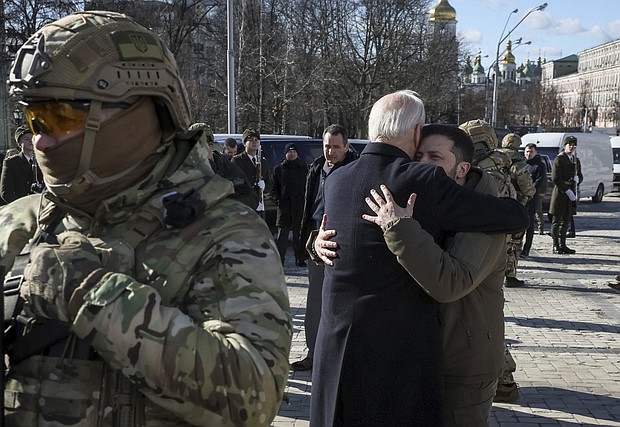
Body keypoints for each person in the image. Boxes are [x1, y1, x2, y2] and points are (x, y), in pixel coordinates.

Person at [1, 11, 291, 426]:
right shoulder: (16, 223)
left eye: (62, 116)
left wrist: (90, 292)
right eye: (35, 119)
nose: (41, 139)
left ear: (136, 116)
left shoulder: (222, 232)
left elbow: (252, 398)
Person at [309, 90, 528, 427]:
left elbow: (333, 231)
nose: (424, 160)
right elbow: (514, 216)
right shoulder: (422, 180)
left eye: (434, 156)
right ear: (415, 132)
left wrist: (315, 244)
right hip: (396, 355)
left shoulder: (337, 177)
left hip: (335, 349)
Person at [292, 124, 357, 371]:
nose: (330, 152)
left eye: (336, 147)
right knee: (315, 301)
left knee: (342, 301)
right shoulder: (317, 167)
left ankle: (341, 356)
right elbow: (309, 205)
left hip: (342, 242)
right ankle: (313, 353)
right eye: (327, 146)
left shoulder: (354, 169)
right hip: (315, 239)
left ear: (346, 146)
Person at [188, 123, 259, 209]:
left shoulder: (226, 165)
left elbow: (252, 198)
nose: (202, 150)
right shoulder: (183, 169)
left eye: (206, 144)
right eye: (197, 146)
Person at [497, 133, 535, 284]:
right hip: (515, 206)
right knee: (514, 243)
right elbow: (529, 189)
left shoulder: (493, 159)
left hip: (494, 204)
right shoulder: (518, 163)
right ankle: (510, 276)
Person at [272, 143, 309, 266]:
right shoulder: (279, 169)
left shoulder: (304, 169)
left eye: (294, 152)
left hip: (299, 207)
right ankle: (280, 260)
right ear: (285, 154)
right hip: (284, 208)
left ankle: (299, 259)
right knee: (282, 237)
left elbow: (307, 187)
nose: (292, 154)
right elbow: (274, 188)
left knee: (298, 235)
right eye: (289, 152)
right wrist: (278, 201)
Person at [549, 135, 582, 254]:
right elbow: (555, 178)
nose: (572, 147)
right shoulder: (559, 159)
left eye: (574, 145)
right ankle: (555, 245)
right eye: (570, 145)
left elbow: (580, 175)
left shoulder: (575, 160)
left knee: (567, 221)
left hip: (571, 195)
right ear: (565, 146)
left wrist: (578, 179)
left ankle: (563, 244)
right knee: (557, 221)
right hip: (561, 194)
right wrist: (567, 190)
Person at [232, 128, 273, 212]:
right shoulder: (237, 161)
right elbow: (235, 183)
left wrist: (264, 187)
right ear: (244, 143)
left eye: (256, 140)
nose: (254, 142)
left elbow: (269, 183)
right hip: (244, 205)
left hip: (259, 204)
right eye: (250, 140)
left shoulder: (263, 162)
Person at [0, 125, 43, 204]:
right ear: (19, 143)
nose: (31, 141)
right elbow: (6, 193)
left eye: (33, 138)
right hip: (21, 207)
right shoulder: (11, 163)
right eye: (26, 139)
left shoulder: (42, 160)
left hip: (40, 205)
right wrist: (23, 204)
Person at [522, 142, 548, 257]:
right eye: (527, 151)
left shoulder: (539, 165)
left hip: (532, 197)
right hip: (520, 197)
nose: (528, 154)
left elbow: (540, 180)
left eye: (531, 152)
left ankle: (526, 248)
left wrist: (529, 191)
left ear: (536, 152)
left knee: (529, 223)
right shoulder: (522, 163)